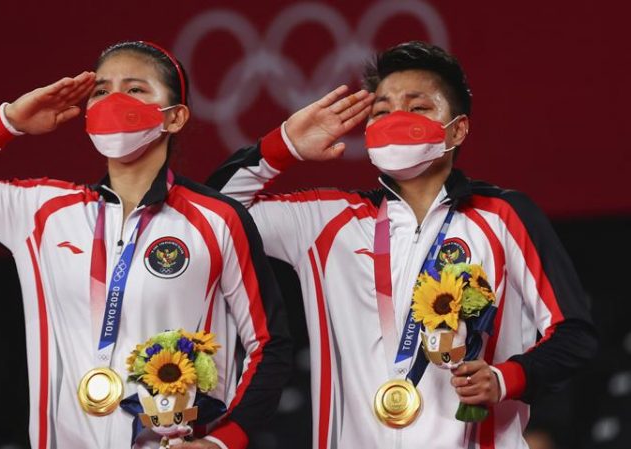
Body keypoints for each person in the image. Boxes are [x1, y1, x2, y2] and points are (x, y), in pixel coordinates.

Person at [207, 41, 596, 448]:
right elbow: (208, 216)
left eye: (419, 108)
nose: (397, 120)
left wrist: (504, 378)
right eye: (381, 111)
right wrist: (283, 147)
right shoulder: (324, 222)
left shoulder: (501, 216)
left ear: (458, 128)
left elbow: (573, 334)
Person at [0, 41, 291, 449]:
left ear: (174, 118)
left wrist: (223, 442)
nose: (113, 100)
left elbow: (269, 343)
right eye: (101, 90)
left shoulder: (217, 219)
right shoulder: (42, 212)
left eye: (135, 88)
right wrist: (10, 122)